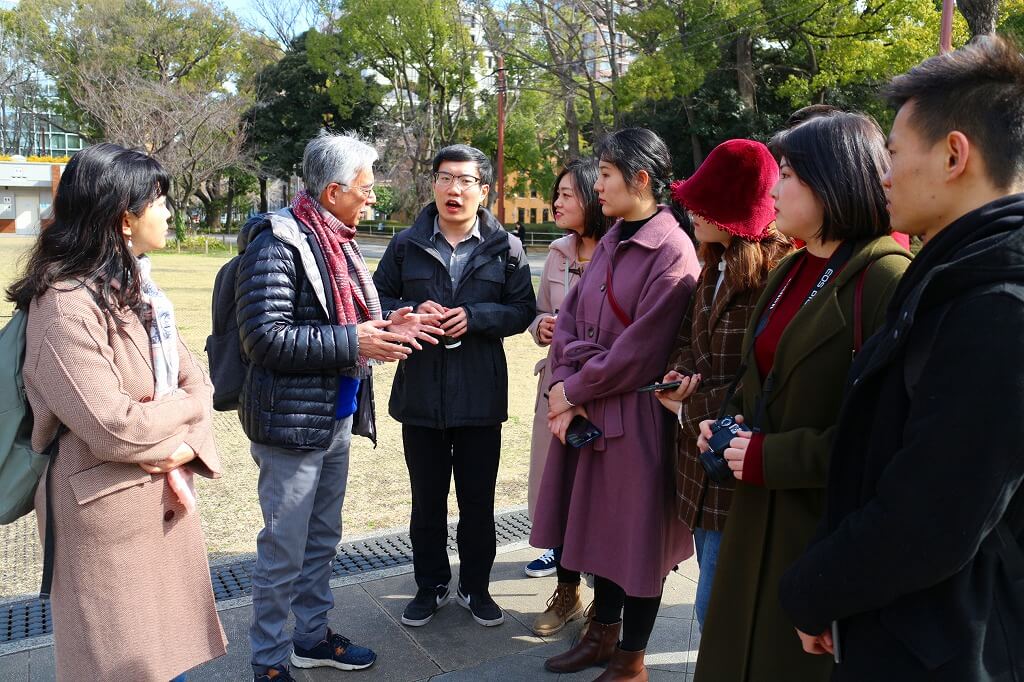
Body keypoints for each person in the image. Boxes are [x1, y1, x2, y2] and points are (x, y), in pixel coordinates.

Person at [779, 36, 1024, 681]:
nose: (883, 175)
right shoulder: (953, 276)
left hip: (949, 645)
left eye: (892, 154)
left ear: (953, 155)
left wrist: (816, 590)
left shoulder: (998, 306)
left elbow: (934, 514)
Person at [692, 112, 912, 682]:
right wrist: (725, 423)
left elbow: (892, 439)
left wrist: (772, 456)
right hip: (753, 523)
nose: (773, 188)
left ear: (834, 179)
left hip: (817, 532)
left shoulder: (888, 278)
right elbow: (756, 379)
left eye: (788, 173)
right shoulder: (789, 266)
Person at [7, 143, 227, 680]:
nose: (170, 212)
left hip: (156, 503)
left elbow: (195, 379)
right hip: (104, 523)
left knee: (160, 659)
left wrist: (185, 420)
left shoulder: (141, 289)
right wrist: (187, 423)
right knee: (117, 664)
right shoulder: (64, 304)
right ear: (123, 217)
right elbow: (114, 427)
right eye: (159, 200)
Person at [237, 131, 443, 682]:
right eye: (366, 188)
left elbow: (342, 317)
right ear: (333, 192)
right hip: (290, 425)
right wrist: (357, 343)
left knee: (322, 539)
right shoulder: (278, 242)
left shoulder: (337, 238)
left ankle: (311, 637)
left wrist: (391, 323)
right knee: (283, 550)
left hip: (335, 413)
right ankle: (269, 662)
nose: (372, 197)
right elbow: (265, 338)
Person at [530, 127, 701, 681]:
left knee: (637, 538)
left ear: (641, 179)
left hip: (636, 415)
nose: (596, 185)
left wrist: (570, 390)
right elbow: (572, 316)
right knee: (598, 530)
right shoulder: (613, 237)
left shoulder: (673, 250)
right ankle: (601, 634)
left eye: (605, 174)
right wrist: (566, 383)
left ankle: (632, 657)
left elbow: (640, 353)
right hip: (590, 408)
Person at [373, 144, 536, 630]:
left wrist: (477, 317)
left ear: (483, 190)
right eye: (445, 178)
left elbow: (521, 310)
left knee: (477, 502)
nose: (455, 189)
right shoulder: (405, 244)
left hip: (480, 397)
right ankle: (429, 586)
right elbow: (376, 297)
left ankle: (477, 587)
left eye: (466, 180)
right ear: (434, 184)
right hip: (420, 394)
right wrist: (407, 312)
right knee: (426, 500)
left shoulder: (507, 248)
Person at [655, 139, 793, 631]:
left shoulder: (775, 272)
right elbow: (688, 340)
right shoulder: (712, 262)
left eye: (702, 200)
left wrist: (685, 410)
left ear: (731, 209)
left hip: (732, 458)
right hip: (701, 458)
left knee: (718, 610)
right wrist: (679, 373)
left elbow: (761, 377)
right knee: (711, 602)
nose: (690, 208)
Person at [524, 158, 609, 636]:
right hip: (554, 390)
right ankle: (567, 591)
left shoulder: (621, 251)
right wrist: (543, 327)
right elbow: (538, 314)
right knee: (558, 492)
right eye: (556, 194)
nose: (556, 203)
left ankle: (604, 601)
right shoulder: (557, 252)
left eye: (567, 195)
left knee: (599, 496)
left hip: (600, 392)